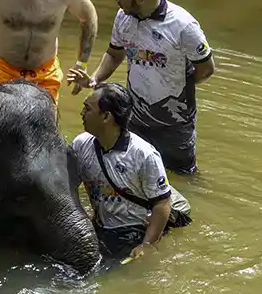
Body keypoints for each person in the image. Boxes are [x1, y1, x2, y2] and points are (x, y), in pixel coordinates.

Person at [67, 0, 216, 173]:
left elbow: (206, 69)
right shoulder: (124, 18)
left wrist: (180, 87)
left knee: (181, 178)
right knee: (131, 171)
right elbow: (114, 54)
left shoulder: (183, 26)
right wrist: (94, 79)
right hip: (134, 117)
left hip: (174, 124)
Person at [72, 82, 192, 260]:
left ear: (106, 116)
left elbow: (161, 204)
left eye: (87, 109)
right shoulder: (81, 145)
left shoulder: (143, 155)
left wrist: (146, 245)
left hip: (134, 230)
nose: (82, 114)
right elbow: (68, 185)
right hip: (102, 225)